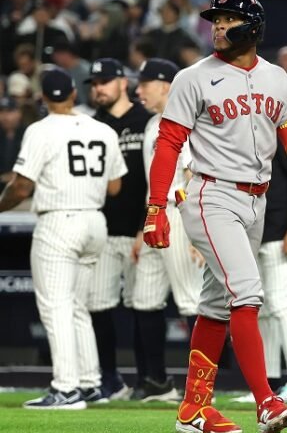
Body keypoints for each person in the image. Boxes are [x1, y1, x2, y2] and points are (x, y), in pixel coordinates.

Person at [143, 0, 287, 433]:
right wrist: (156, 206)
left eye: (227, 19)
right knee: (248, 293)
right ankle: (266, 401)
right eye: (215, 20)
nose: (218, 26)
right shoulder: (193, 77)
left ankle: (194, 410)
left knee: (217, 306)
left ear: (252, 27)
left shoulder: (277, 78)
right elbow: (169, 144)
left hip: (256, 199)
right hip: (211, 194)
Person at [0, 68, 126, 408]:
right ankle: (89, 384)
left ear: (43, 98)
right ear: (74, 94)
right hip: (94, 223)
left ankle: (66, 389)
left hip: (60, 222)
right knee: (76, 307)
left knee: (56, 307)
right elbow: (115, 187)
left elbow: (22, 186)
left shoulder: (40, 130)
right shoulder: (101, 129)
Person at [130, 58, 203, 402]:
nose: (138, 90)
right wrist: (140, 227)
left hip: (180, 213)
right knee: (145, 299)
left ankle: (201, 387)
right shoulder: (149, 126)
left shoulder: (188, 121)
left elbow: (194, 175)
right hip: (154, 216)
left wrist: (198, 229)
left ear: (164, 85)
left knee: (190, 301)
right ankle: (157, 382)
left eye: (144, 83)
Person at [84, 58, 153, 401]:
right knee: (98, 304)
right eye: (94, 83)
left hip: (142, 229)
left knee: (144, 305)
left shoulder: (147, 120)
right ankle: (109, 379)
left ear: (123, 82)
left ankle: (147, 379)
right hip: (106, 230)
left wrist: (147, 225)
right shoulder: (92, 126)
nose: (99, 87)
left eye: (105, 81)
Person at [228, 137, 287, 406]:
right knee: (261, 309)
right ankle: (271, 384)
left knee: (282, 306)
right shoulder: (239, 131)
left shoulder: (276, 134)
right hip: (252, 232)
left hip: (279, 231)